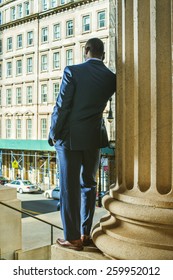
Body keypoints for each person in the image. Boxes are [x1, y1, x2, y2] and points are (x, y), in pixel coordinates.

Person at [48, 38, 116, 251]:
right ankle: (86, 233)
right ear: (102, 54)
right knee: (89, 184)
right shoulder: (112, 78)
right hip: (94, 138)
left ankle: (72, 237)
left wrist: (53, 133)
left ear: (86, 51)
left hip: (69, 139)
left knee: (69, 187)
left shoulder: (72, 71)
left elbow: (62, 106)